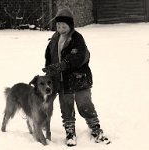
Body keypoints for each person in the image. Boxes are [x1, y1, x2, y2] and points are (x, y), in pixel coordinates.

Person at [42, 8, 110, 146]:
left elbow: (80, 56)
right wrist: (50, 71)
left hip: (79, 78)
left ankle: (95, 128)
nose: (61, 28)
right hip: (62, 81)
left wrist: (65, 64)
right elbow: (49, 57)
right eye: (58, 25)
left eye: (64, 26)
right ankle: (70, 131)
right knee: (66, 106)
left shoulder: (77, 38)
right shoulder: (53, 40)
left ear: (70, 25)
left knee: (84, 104)